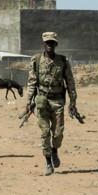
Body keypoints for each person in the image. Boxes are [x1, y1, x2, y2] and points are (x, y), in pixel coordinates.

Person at [25, 32, 78, 176]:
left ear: (56, 44)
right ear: (43, 44)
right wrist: (28, 102)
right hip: (42, 101)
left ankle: (55, 150)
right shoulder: (36, 60)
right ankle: (48, 162)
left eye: (52, 43)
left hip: (58, 101)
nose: (50, 45)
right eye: (47, 43)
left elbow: (70, 82)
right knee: (44, 133)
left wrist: (73, 101)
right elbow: (31, 83)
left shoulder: (62, 61)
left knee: (58, 133)